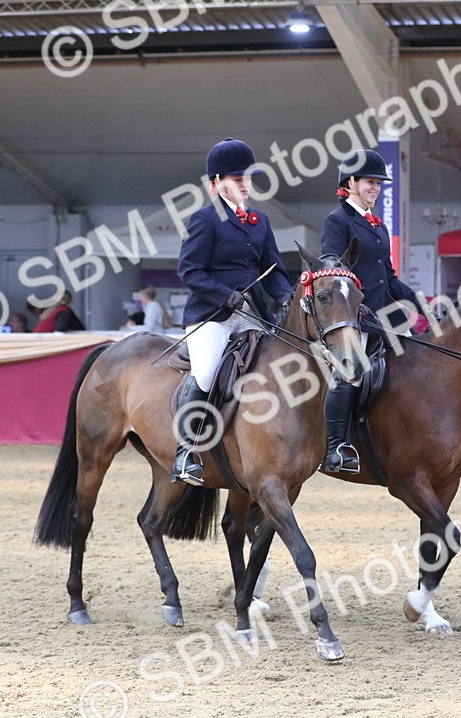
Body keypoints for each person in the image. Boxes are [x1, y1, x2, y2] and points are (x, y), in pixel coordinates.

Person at [172, 137, 295, 486]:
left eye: (247, 178)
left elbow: (275, 272)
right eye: (235, 178)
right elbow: (190, 271)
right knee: (208, 372)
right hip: (211, 316)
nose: (244, 184)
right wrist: (226, 296)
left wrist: (286, 298)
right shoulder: (205, 220)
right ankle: (186, 452)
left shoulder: (261, 221)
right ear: (216, 183)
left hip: (253, 314)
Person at [320, 147, 426, 473]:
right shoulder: (338, 221)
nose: (376, 188)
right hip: (353, 317)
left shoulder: (377, 227)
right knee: (350, 370)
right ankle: (336, 445)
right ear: (350, 183)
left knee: (417, 359)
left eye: (379, 183)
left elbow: (389, 278)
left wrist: (423, 305)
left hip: (384, 314)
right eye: (369, 182)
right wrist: (356, 313)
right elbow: (333, 272)